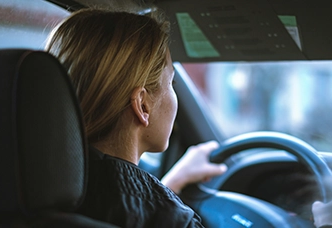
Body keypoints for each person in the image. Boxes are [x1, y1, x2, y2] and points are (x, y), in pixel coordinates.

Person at [46, 8, 227, 227]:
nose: (174, 93)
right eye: (172, 83)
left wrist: (171, 184)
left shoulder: (34, 188)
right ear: (142, 105)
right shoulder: (175, 221)